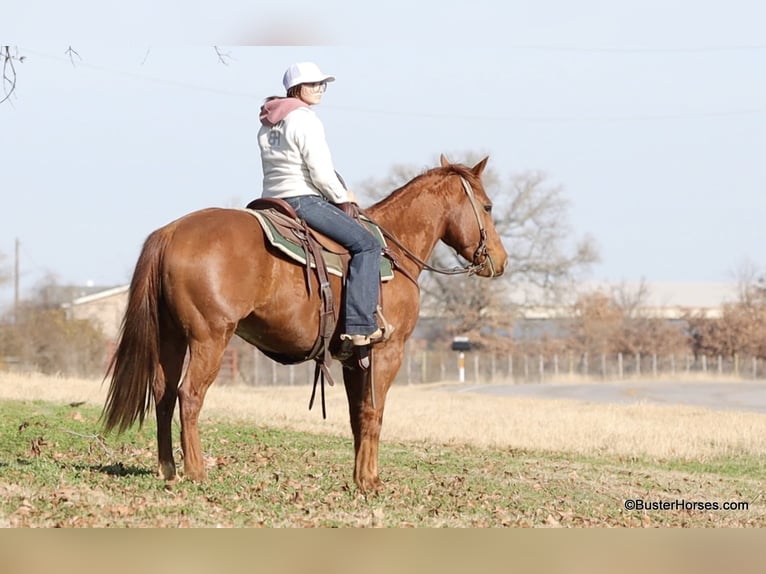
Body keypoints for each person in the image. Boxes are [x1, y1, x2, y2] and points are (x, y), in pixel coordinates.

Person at [256, 62, 387, 346]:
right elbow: (320, 172)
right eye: (312, 84)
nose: (319, 90)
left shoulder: (268, 123)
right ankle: (360, 326)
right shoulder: (304, 119)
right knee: (368, 245)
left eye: (321, 84)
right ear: (296, 89)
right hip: (302, 199)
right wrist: (343, 197)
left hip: (270, 201)